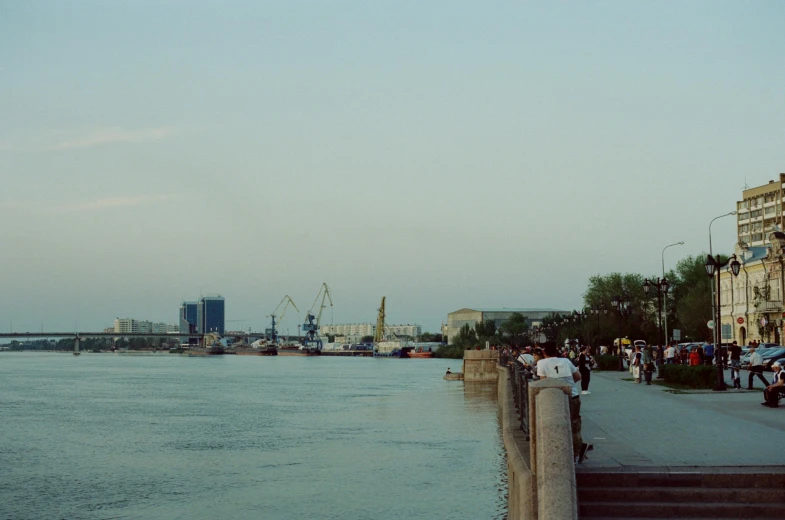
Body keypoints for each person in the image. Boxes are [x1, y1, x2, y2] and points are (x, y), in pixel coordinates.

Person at [537, 343, 591, 463]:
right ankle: (577, 452)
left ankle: (562, 451)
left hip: (556, 398)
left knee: (558, 424)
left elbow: (543, 382)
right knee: (575, 424)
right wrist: (568, 384)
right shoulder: (566, 361)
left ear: (544, 353)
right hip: (573, 395)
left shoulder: (541, 363)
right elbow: (578, 376)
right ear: (556, 352)